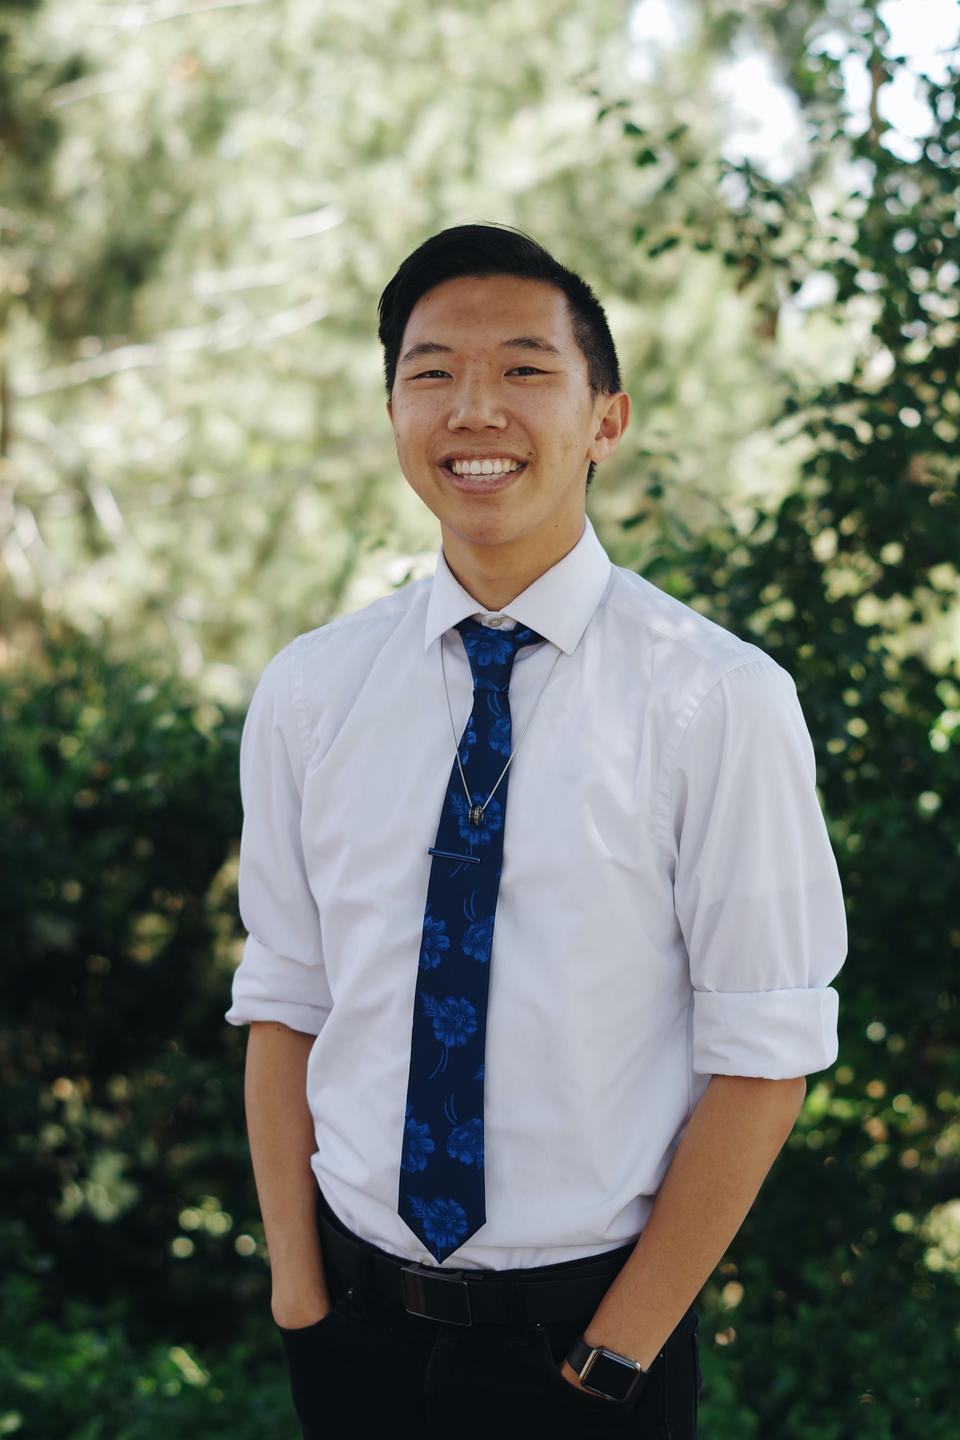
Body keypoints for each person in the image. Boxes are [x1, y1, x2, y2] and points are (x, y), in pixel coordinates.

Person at [225, 222, 847, 1438]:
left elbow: (765, 1053)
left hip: (591, 1345)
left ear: (606, 420)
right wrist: (300, 1305)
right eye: (432, 372)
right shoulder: (309, 691)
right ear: (393, 411)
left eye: (523, 368)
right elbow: (286, 999)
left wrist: (614, 1358)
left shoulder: (718, 699)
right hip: (354, 1331)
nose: (474, 409)